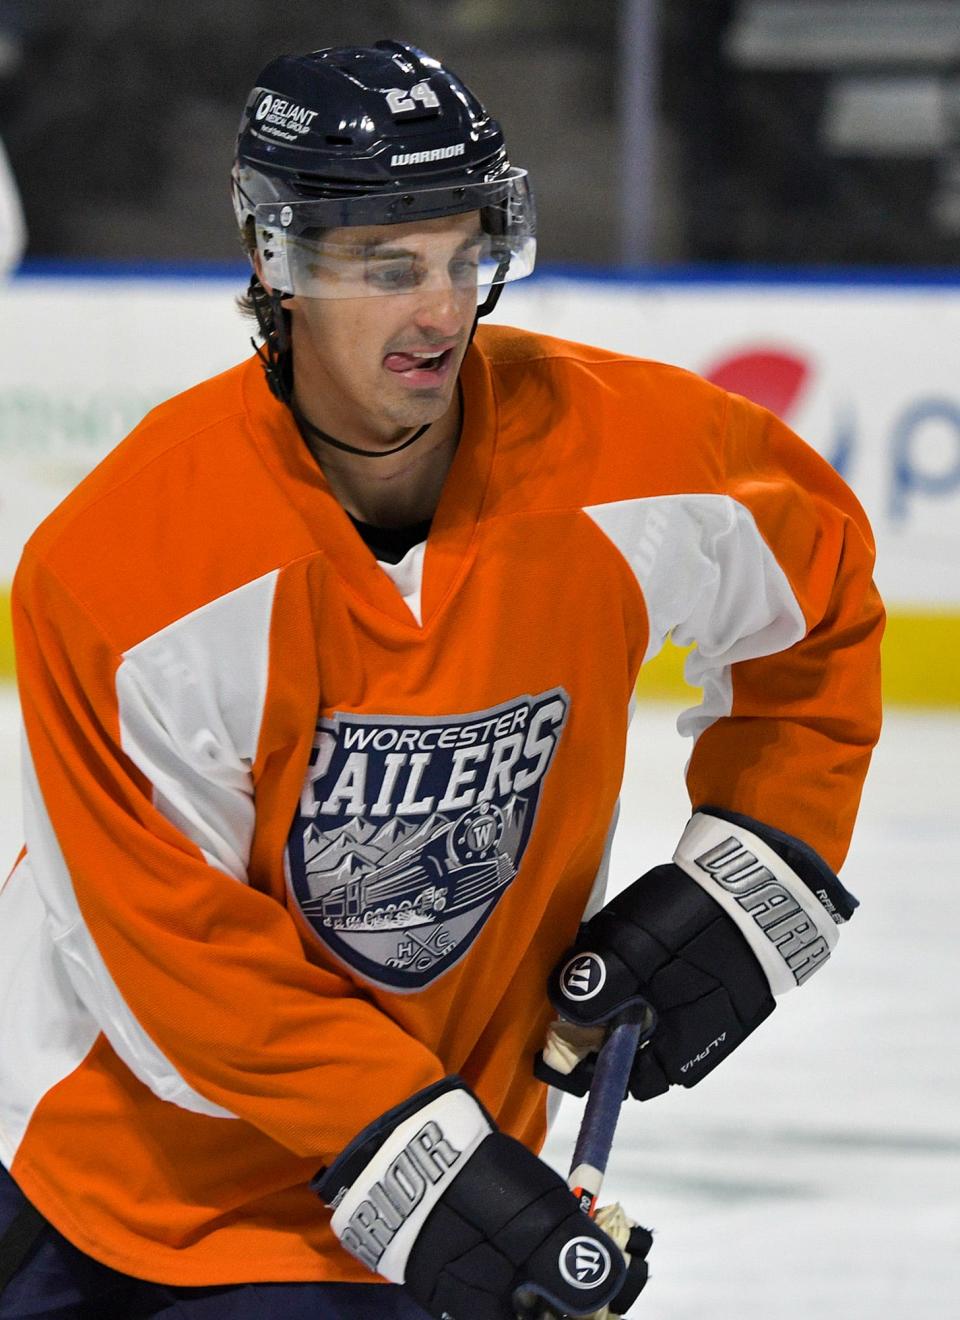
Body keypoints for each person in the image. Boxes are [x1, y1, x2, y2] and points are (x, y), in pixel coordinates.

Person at [0, 39, 883, 1320]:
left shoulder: (632, 456)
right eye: (384, 266)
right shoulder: (125, 567)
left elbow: (823, 601)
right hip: (120, 1194)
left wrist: (755, 877)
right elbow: (174, 954)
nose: (439, 312)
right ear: (275, 263)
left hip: (429, 1194)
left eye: (466, 256)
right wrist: (442, 1171)